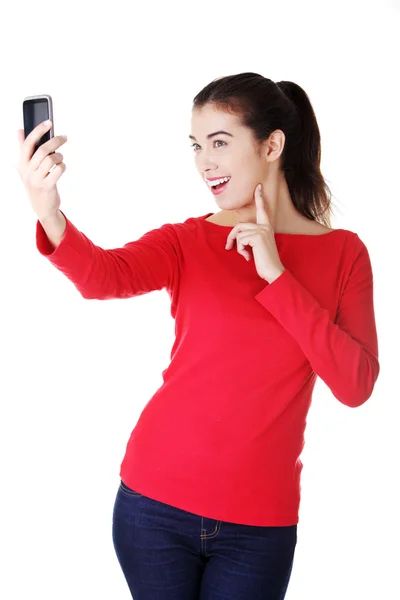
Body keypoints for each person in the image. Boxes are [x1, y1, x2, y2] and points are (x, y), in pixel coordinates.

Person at [16, 72, 380, 600]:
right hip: (153, 507)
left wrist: (278, 275)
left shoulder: (345, 254)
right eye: (196, 145)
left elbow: (355, 385)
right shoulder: (188, 241)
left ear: (272, 144)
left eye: (219, 142)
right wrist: (47, 210)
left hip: (260, 526)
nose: (203, 161)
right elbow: (102, 277)